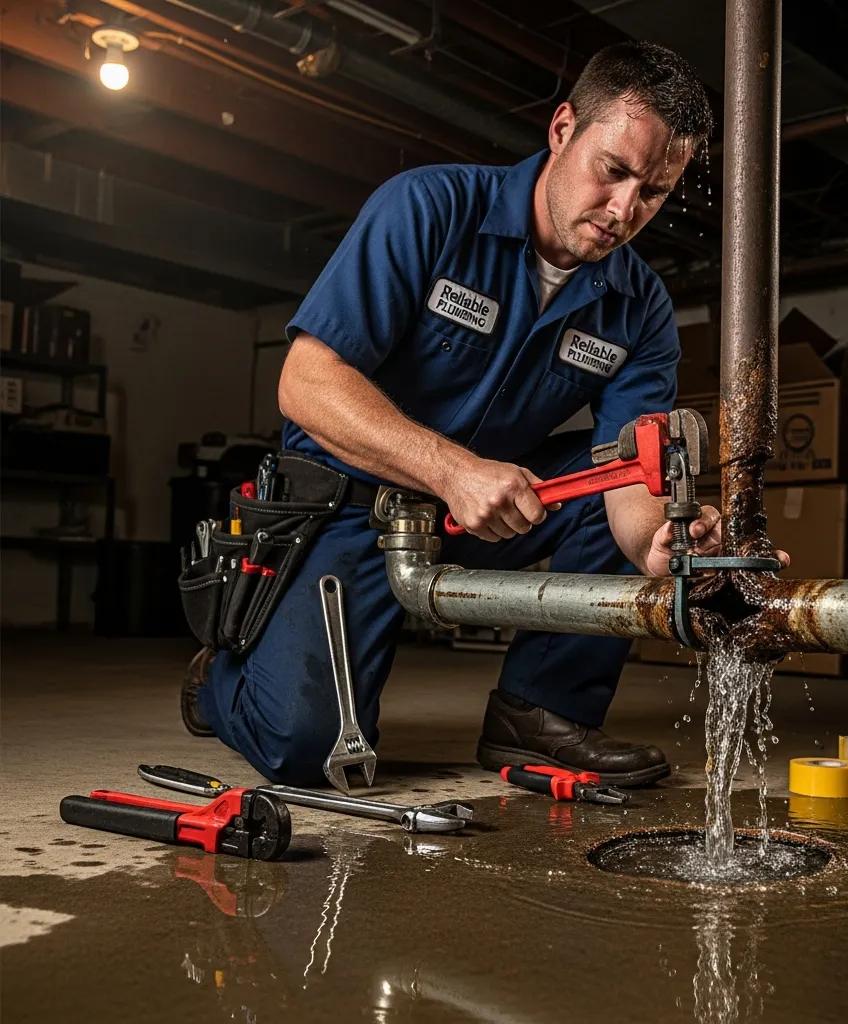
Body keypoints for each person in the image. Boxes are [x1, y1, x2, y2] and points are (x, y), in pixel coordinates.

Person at [183, 41, 735, 788]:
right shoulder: (429, 209)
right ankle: (219, 683)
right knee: (308, 749)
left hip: (494, 505)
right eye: (614, 171)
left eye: (654, 192)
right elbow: (306, 385)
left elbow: (626, 473)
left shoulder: (639, 308)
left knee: (627, 473)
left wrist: (657, 544)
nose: (623, 211)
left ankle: (538, 715)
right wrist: (451, 470)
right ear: (564, 128)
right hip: (350, 505)